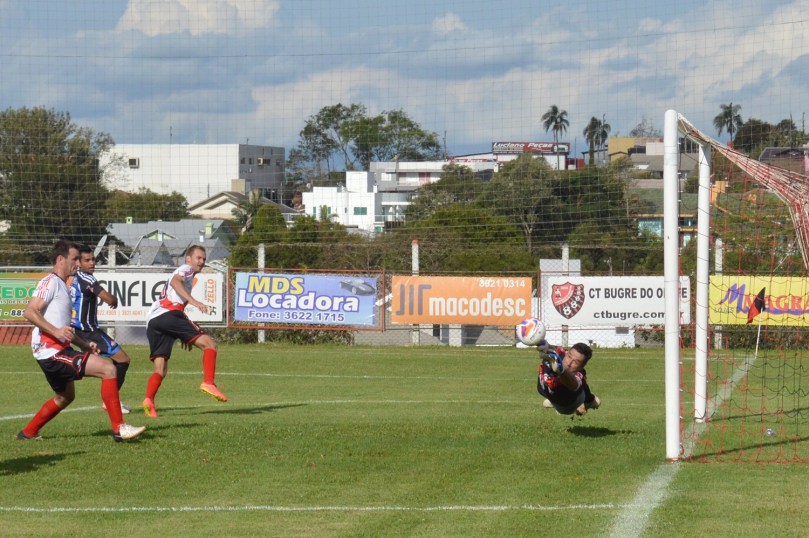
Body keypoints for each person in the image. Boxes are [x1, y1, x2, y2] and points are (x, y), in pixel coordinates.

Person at [18, 240, 146, 442]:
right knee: (109, 369)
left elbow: (64, 329)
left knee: (65, 397)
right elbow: (30, 311)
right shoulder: (50, 282)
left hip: (56, 350)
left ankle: (28, 433)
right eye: (75, 258)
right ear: (61, 259)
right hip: (52, 352)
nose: (77, 263)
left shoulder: (62, 285)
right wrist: (56, 331)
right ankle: (119, 429)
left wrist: (84, 344)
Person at [142, 244, 227, 418]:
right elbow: (175, 281)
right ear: (188, 258)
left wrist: (182, 334)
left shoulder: (189, 272)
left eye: (204, 259)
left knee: (160, 369)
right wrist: (194, 302)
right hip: (170, 314)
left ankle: (149, 400)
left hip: (153, 321)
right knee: (210, 344)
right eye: (199, 258)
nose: (202, 262)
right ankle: (208, 382)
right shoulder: (186, 268)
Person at [70, 245, 132, 414]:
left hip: (78, 330)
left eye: (93, 260)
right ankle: (111, 402)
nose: (92, 263)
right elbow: (107, 298)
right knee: (123, 360)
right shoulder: (88, 279)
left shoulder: (75, 277)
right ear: (79, 262)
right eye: (87, 260)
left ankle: (111, 400)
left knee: (107, 364)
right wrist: (114, 300)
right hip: (90, 331)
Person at [536, 341, 601, 416]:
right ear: (567, 352)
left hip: (567, 406)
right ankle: (553, 400)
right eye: (569, 356)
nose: (569, 363)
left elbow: (572, 383)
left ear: (581, 366)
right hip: (547, 392)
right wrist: (541, 342)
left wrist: (561, 371)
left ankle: (590, 401)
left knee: (582, 383)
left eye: (576, 362)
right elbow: (551, 346)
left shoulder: (578, 375)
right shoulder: (561, 353)